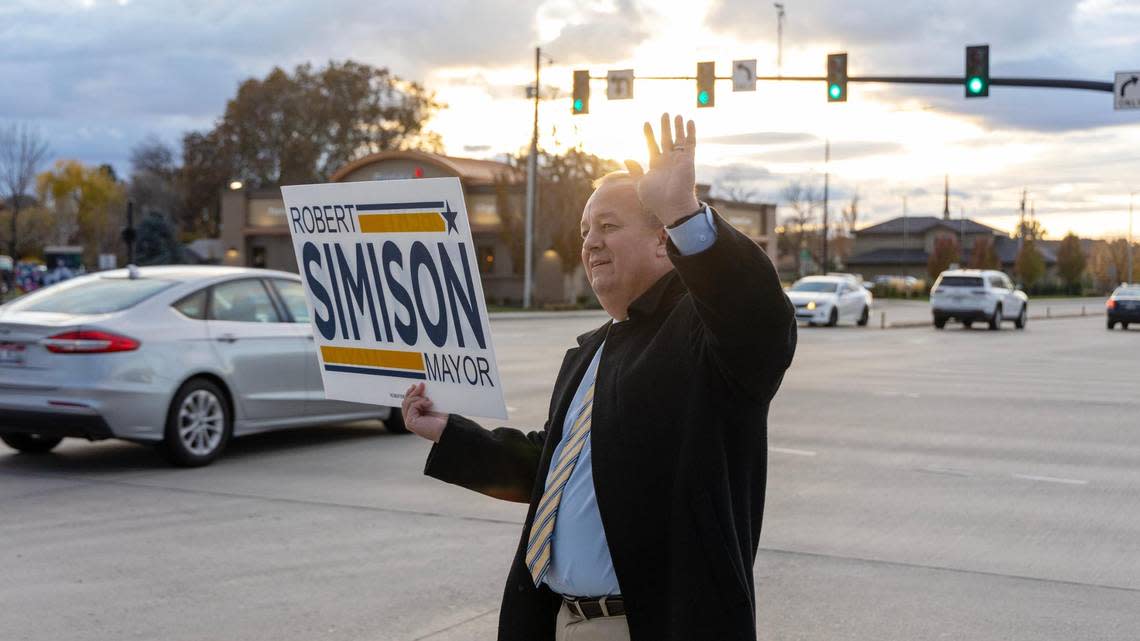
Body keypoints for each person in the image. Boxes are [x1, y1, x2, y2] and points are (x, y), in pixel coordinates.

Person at [402, 113, 796, 641]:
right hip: (563, 622)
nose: (589, 243)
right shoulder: (592, 350)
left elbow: (759, 318)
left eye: (609, 227)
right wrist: (449, 432)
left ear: (663, 242)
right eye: (585, 231)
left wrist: (683, 212)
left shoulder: (703, 334)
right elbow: (547, 472)